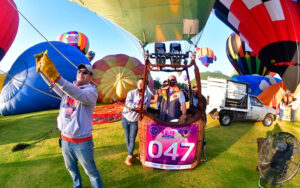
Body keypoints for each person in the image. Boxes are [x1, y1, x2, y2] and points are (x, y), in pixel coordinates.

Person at [34, 51, 103, 188]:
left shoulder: (90, 92)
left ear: (90, 77)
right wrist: (42, 71)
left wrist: (57, 77)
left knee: (91, 172)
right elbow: (54, 85)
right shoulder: (69, 88)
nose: (81, 73)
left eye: (85, 72)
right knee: (71, 169)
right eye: (79, 71)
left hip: (82, 142)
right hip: (65, 140)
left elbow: (75, 93)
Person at [122, 78, 151, 166]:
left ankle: (129, 155)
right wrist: (137, 106)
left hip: (135, 119)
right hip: (126, 117)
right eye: (139, 83)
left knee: (132, 137)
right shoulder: (131, 93)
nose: (139, 85)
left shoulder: (147, 95)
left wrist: (145, 107)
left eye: (142, 84)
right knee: (127, 137)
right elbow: (127, 103)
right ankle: (130, 154)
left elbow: (148, 105)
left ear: (145, 85)